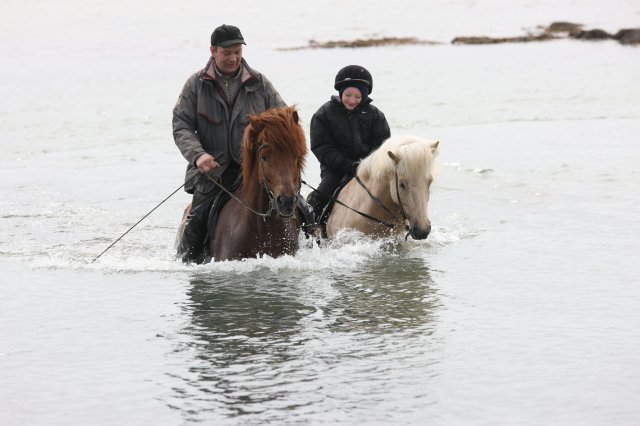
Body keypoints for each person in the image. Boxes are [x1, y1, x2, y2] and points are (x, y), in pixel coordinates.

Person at [173, 24, 286, 263]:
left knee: (300, 208)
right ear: (213, 51)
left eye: (238, 52)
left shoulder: (260, 83)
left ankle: (314, 248)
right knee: (197, 223)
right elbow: (181, 125)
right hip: (213, 173)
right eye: (227, 53)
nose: (233, 58)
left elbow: (284, 120)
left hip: (256, 172)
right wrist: (198, 156)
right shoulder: (195, 85)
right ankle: (186, 265)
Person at [306, 65, 391, 224]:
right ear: (340, 93)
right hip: (335, 168)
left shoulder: (376, 115)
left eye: (358, 97)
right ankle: (309, 224)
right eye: (348, 95)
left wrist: (368, 163)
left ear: (364, 96)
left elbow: (382, 144)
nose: (352, 100)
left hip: (369, 167)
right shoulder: (323, 114)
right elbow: (322, 147)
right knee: (323, 193)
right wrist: (349, 165)